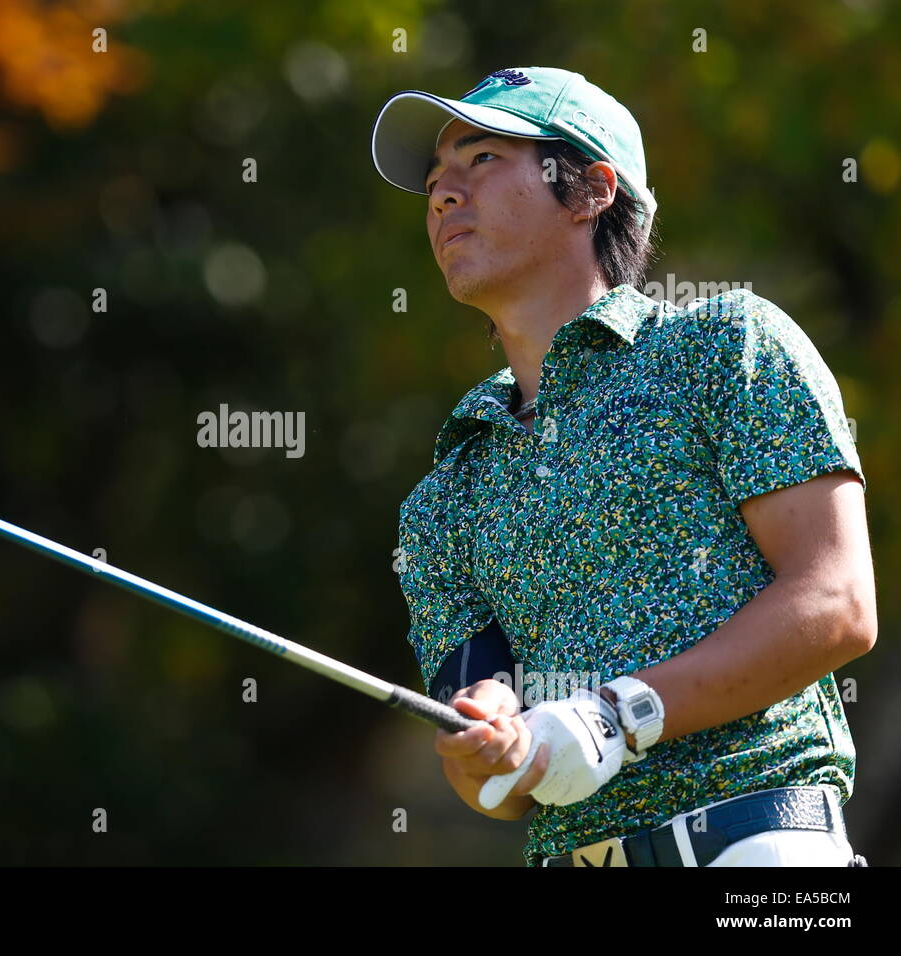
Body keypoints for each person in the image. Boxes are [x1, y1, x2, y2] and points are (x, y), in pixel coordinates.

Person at [371, 66, 877, 866]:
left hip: (760, 844)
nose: (442, 196)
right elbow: (495, 786)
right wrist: (491, 744)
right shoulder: (443, 497)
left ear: (591, 189)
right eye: (436, 181)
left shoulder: (725, 345)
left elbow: (837, 603)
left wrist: (618, 715)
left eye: (483, 162)